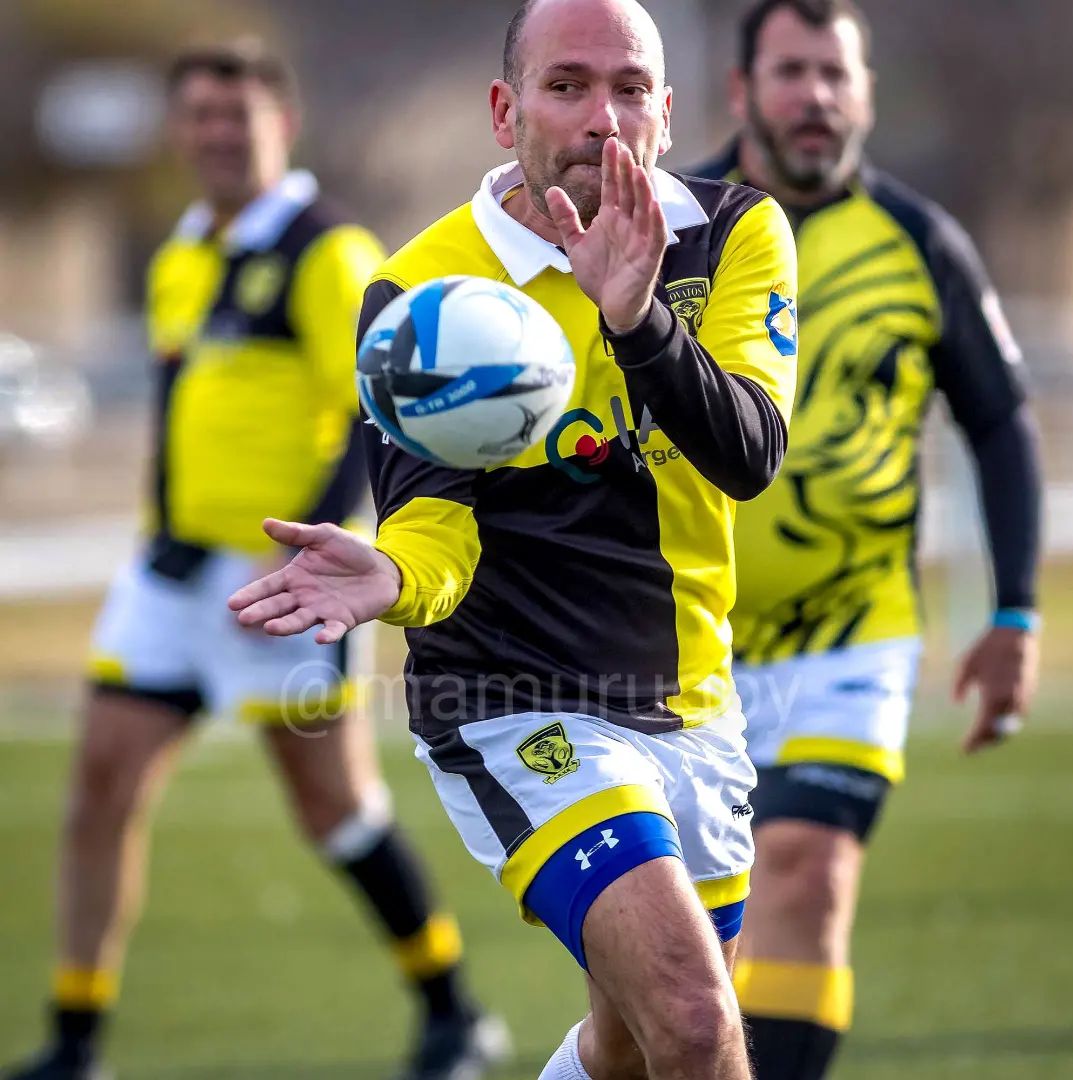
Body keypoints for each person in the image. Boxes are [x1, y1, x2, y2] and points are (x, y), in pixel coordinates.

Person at [229, 1, 801, 1077]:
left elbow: (749, 453)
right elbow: (437, 532)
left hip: (689, 697)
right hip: (510, 702)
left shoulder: (732, 234)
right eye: (566, 85)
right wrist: (390, 574)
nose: (602, 117)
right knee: (695, 1023)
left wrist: (639, 323)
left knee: (630, 1050)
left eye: (630, 88)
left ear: (667, 113)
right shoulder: (421, 289)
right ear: (506, 110)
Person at [6, 43, 504, 1080]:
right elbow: (183, 410)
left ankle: (453, 1010)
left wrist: (313, 555)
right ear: (183, 133)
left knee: (335, 812)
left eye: (239, 118)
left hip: (278, 587)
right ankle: (75, 1039)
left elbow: (382, 412)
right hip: (168, 578)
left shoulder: (329, 253)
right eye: (201, 118)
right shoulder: (182, 252)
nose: (219, 137)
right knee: (100, 787)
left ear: (283, 125)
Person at [691, 2, 1042, 1076]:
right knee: (691, 945)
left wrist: (1014, 610)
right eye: (791, 73)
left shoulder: (924, 243)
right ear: (744, 91)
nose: (817, 98)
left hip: (856, 627)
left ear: (867, 91)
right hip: (684, 641)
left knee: (806, 868)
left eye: (836, 74)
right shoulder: (673, 225)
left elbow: (999, 421)